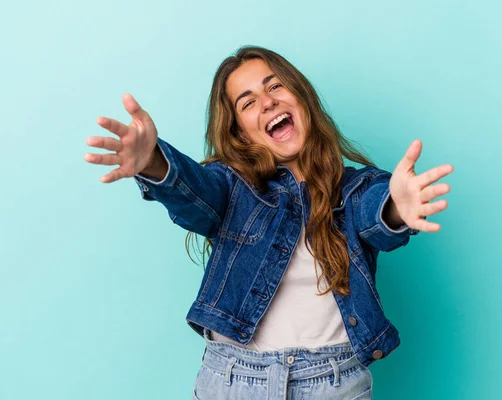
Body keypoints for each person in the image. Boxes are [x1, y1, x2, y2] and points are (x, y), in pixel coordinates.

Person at [84, 46, 453, 399]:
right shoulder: (232, 188)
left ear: (302, 98)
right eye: (247, 102)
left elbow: (376, 215)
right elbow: (193, 191)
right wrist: (153, 161)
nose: (267, 101)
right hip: (232, 380)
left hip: (334, 384)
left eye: (274, 85)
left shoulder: (355, 188)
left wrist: (396, 207)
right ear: (241, 132)